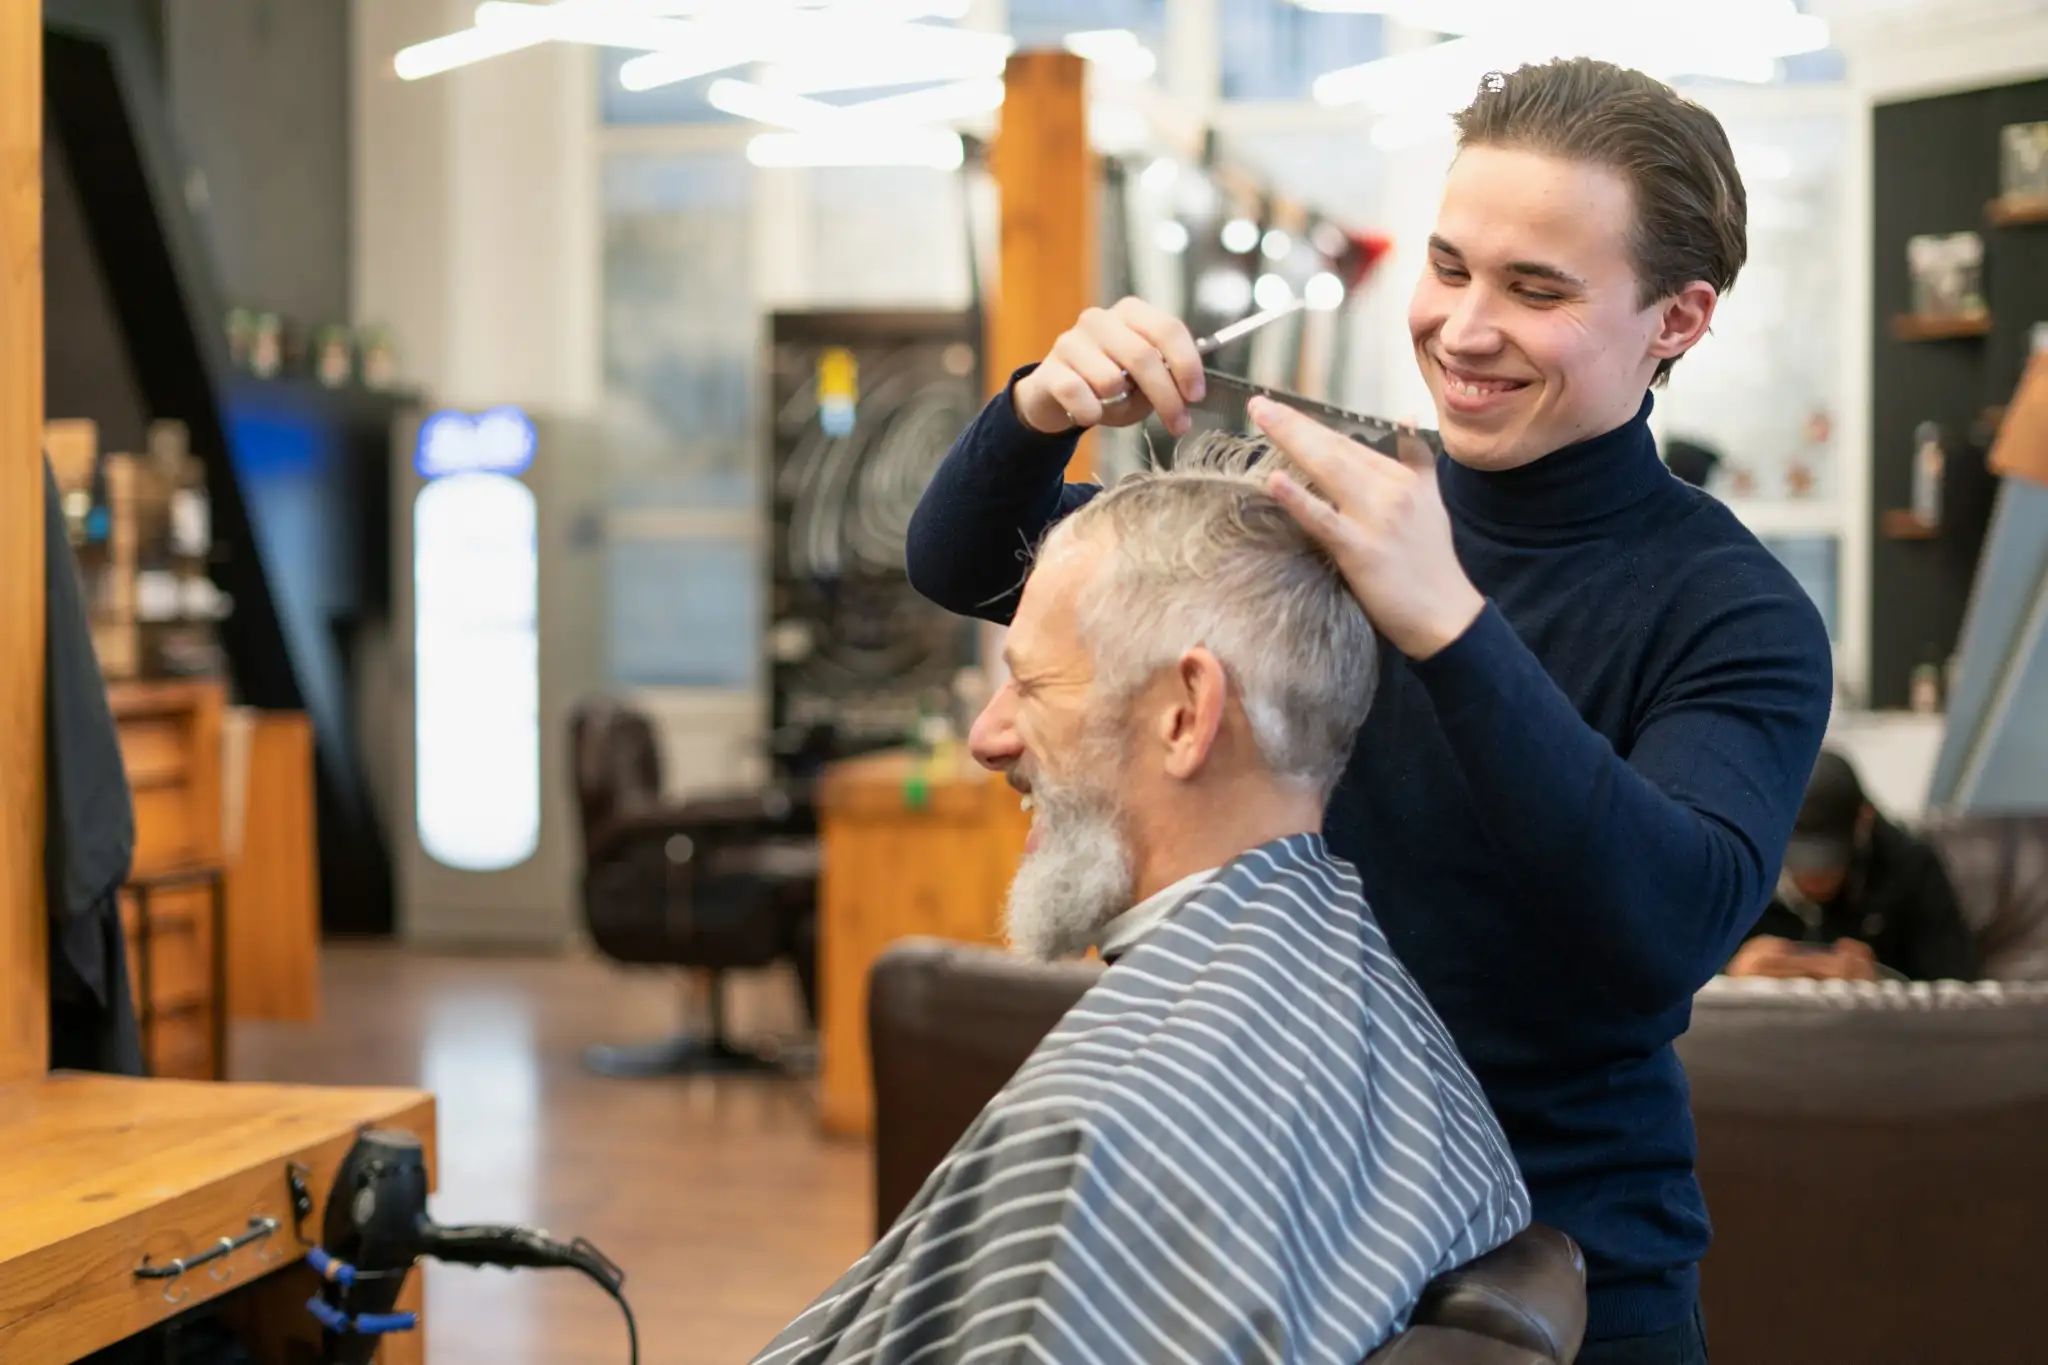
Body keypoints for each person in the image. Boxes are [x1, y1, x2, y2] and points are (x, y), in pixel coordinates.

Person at [904, 57, 1834, 1365]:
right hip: (1278, 1244)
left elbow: (1661, 926)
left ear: (1677, 319)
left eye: (1538, 289)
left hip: (1561, 1282)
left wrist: (1449, 625)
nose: (1463, 328)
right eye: (1451, 267)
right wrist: (1041, 411)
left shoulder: (1733, 612)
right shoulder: (1323, 501)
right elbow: (968, 563)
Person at [754, 434, 1529, 1365]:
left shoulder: (1100, 1139)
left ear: (1185, 713)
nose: (988, 737)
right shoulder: (1367, 992)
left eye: (1031, 683)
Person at [1727, 749, 1980, 983]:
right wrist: (1729, 971)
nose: (1814, 875)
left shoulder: (1910, 866)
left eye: (1829, 858)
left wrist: (1880, 978)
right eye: (1796, 856)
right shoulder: (1731, 864)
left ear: (1863, 822)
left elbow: (1956, 985)